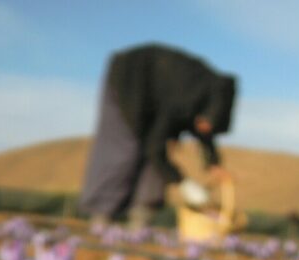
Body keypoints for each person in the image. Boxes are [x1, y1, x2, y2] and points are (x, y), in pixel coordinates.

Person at [80, 44, 237, 228]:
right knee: (124, 150)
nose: (202, 129)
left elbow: (203, 128)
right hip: (128, 83)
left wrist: (212, 162)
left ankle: (141, 218)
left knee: (157, 163)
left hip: (158, 98)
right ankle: (102, 215)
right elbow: (155, 147)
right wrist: (183, 183)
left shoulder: (206, 95)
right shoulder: (184, 94)